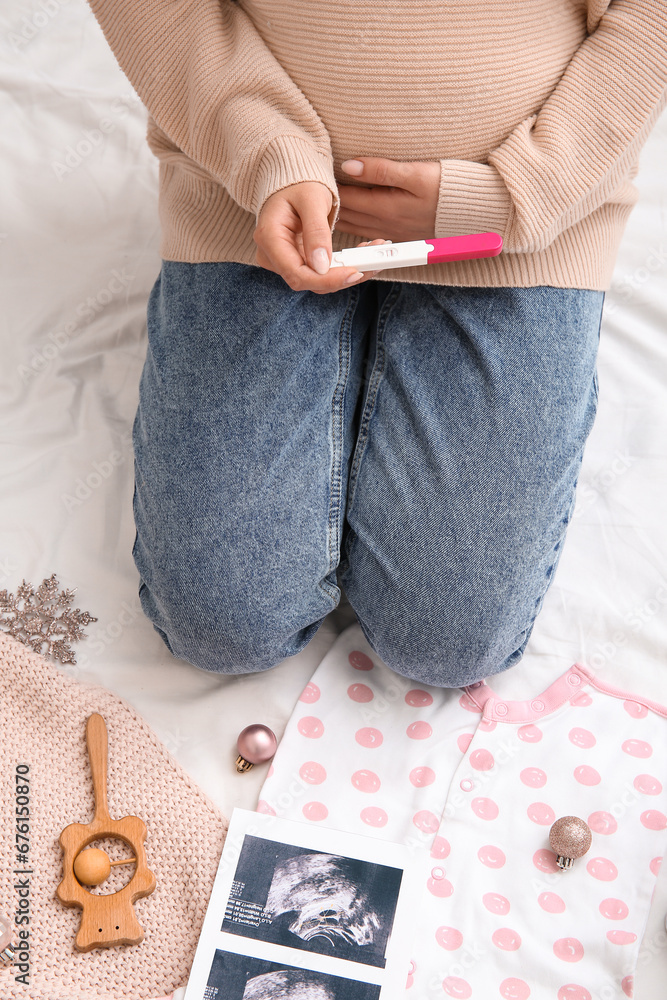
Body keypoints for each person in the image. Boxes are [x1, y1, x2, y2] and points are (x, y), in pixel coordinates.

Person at [86, 0, 666, 686]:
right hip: (248, 204)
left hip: (515, 224)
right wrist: (268, 156)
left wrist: (513, 198)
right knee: (222, 628)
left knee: (445, 645)